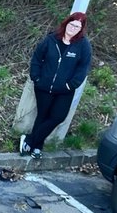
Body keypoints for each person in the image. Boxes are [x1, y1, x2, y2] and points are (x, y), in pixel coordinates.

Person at [22, 13, 92, 160]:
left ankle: (29, 140)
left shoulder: (83, 45)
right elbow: (37, 58)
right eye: (72, 24)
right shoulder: (51, 39)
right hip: (44, 86)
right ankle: (36, 147)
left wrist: (70, 85)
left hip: (65, 90)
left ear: (81, 29)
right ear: (67, 23)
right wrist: (37, 77)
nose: (73, 28)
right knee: (42, 116)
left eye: (77, 27)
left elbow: (83, 68)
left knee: (58, 117)